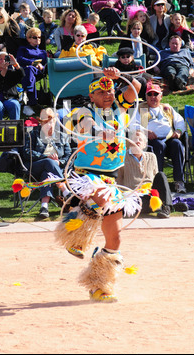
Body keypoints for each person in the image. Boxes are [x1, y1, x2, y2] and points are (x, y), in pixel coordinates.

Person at [56, 68, 142, 302]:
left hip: (111, 179)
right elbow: (84, 123)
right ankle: (75, 237)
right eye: (102, 91)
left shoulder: (121, 110)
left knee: (115, 240)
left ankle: (99, 284)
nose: (108, 94)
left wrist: (118, 73)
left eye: (111, 90)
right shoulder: (81, 111)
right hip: (88, 176)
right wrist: (98, 131)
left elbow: (136, 87)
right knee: (101, 197)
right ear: (92, 95)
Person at [117, 129, 188, 218]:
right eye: (135, 138)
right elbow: (118, 181)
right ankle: (169, 207)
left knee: (161, 175)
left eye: (140, 140)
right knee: (134, 206)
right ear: (130, 142)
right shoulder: (122, 158)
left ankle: (166, 207)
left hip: (150, 194)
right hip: (133, 196)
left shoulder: (152, 156)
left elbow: (156, 179)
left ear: (144, 145)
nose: (138, 141)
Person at [22, 107, 72, 219]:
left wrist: (59, 163)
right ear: (40, 122)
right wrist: (45, 156)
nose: (48, 125)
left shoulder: (62, 136)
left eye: (50, 122)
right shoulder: (32, 134)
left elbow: (69, 156)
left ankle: (44, 207)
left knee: (48, 174)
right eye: (44, 122)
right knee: (49, 162)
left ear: (55, 122)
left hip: (54, 169)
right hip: (35, 167)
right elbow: (27, 153)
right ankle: (65, 191)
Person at [139, 81, 186, 193]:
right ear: (145, 96)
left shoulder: (166, 108)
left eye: (155, 94)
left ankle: (179, 181)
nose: (152, 97)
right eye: (149, 94)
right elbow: (132, 125)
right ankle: (158, 183)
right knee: (158, 146)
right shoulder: (141, 108)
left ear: (161, 95)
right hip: (150, 141)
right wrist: (146, 131)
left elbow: (180, 121)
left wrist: (179, 131)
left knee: (178, 144)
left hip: (169, 139)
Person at [16, 27, 48, 116]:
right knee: (29, 69)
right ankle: (30, 102)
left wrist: (43, 67)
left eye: (39, 37)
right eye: (34, 37)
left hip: (38, 72)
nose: (37, 39)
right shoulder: (23, 49)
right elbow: (19, 59)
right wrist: (32, 62)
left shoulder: (43, 52)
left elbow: (46, 63)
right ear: (28, 39)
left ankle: (26, 94)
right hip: (24, 70)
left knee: (31, 70)